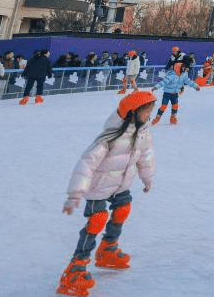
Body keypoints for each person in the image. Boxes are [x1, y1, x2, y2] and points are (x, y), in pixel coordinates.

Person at [56, 91, 157, 296]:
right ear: (132, 113)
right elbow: (85, 164)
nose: (149, 114)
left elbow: (145, 156)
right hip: (99, 187)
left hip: (120, 185)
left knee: (123, 210)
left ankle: (108, 250)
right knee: (97, 220)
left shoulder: (143, 133)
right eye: (146, 110)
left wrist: (147, 177)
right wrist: (75, 194)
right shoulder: (109, 137)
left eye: (150, 110)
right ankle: (75, 269)